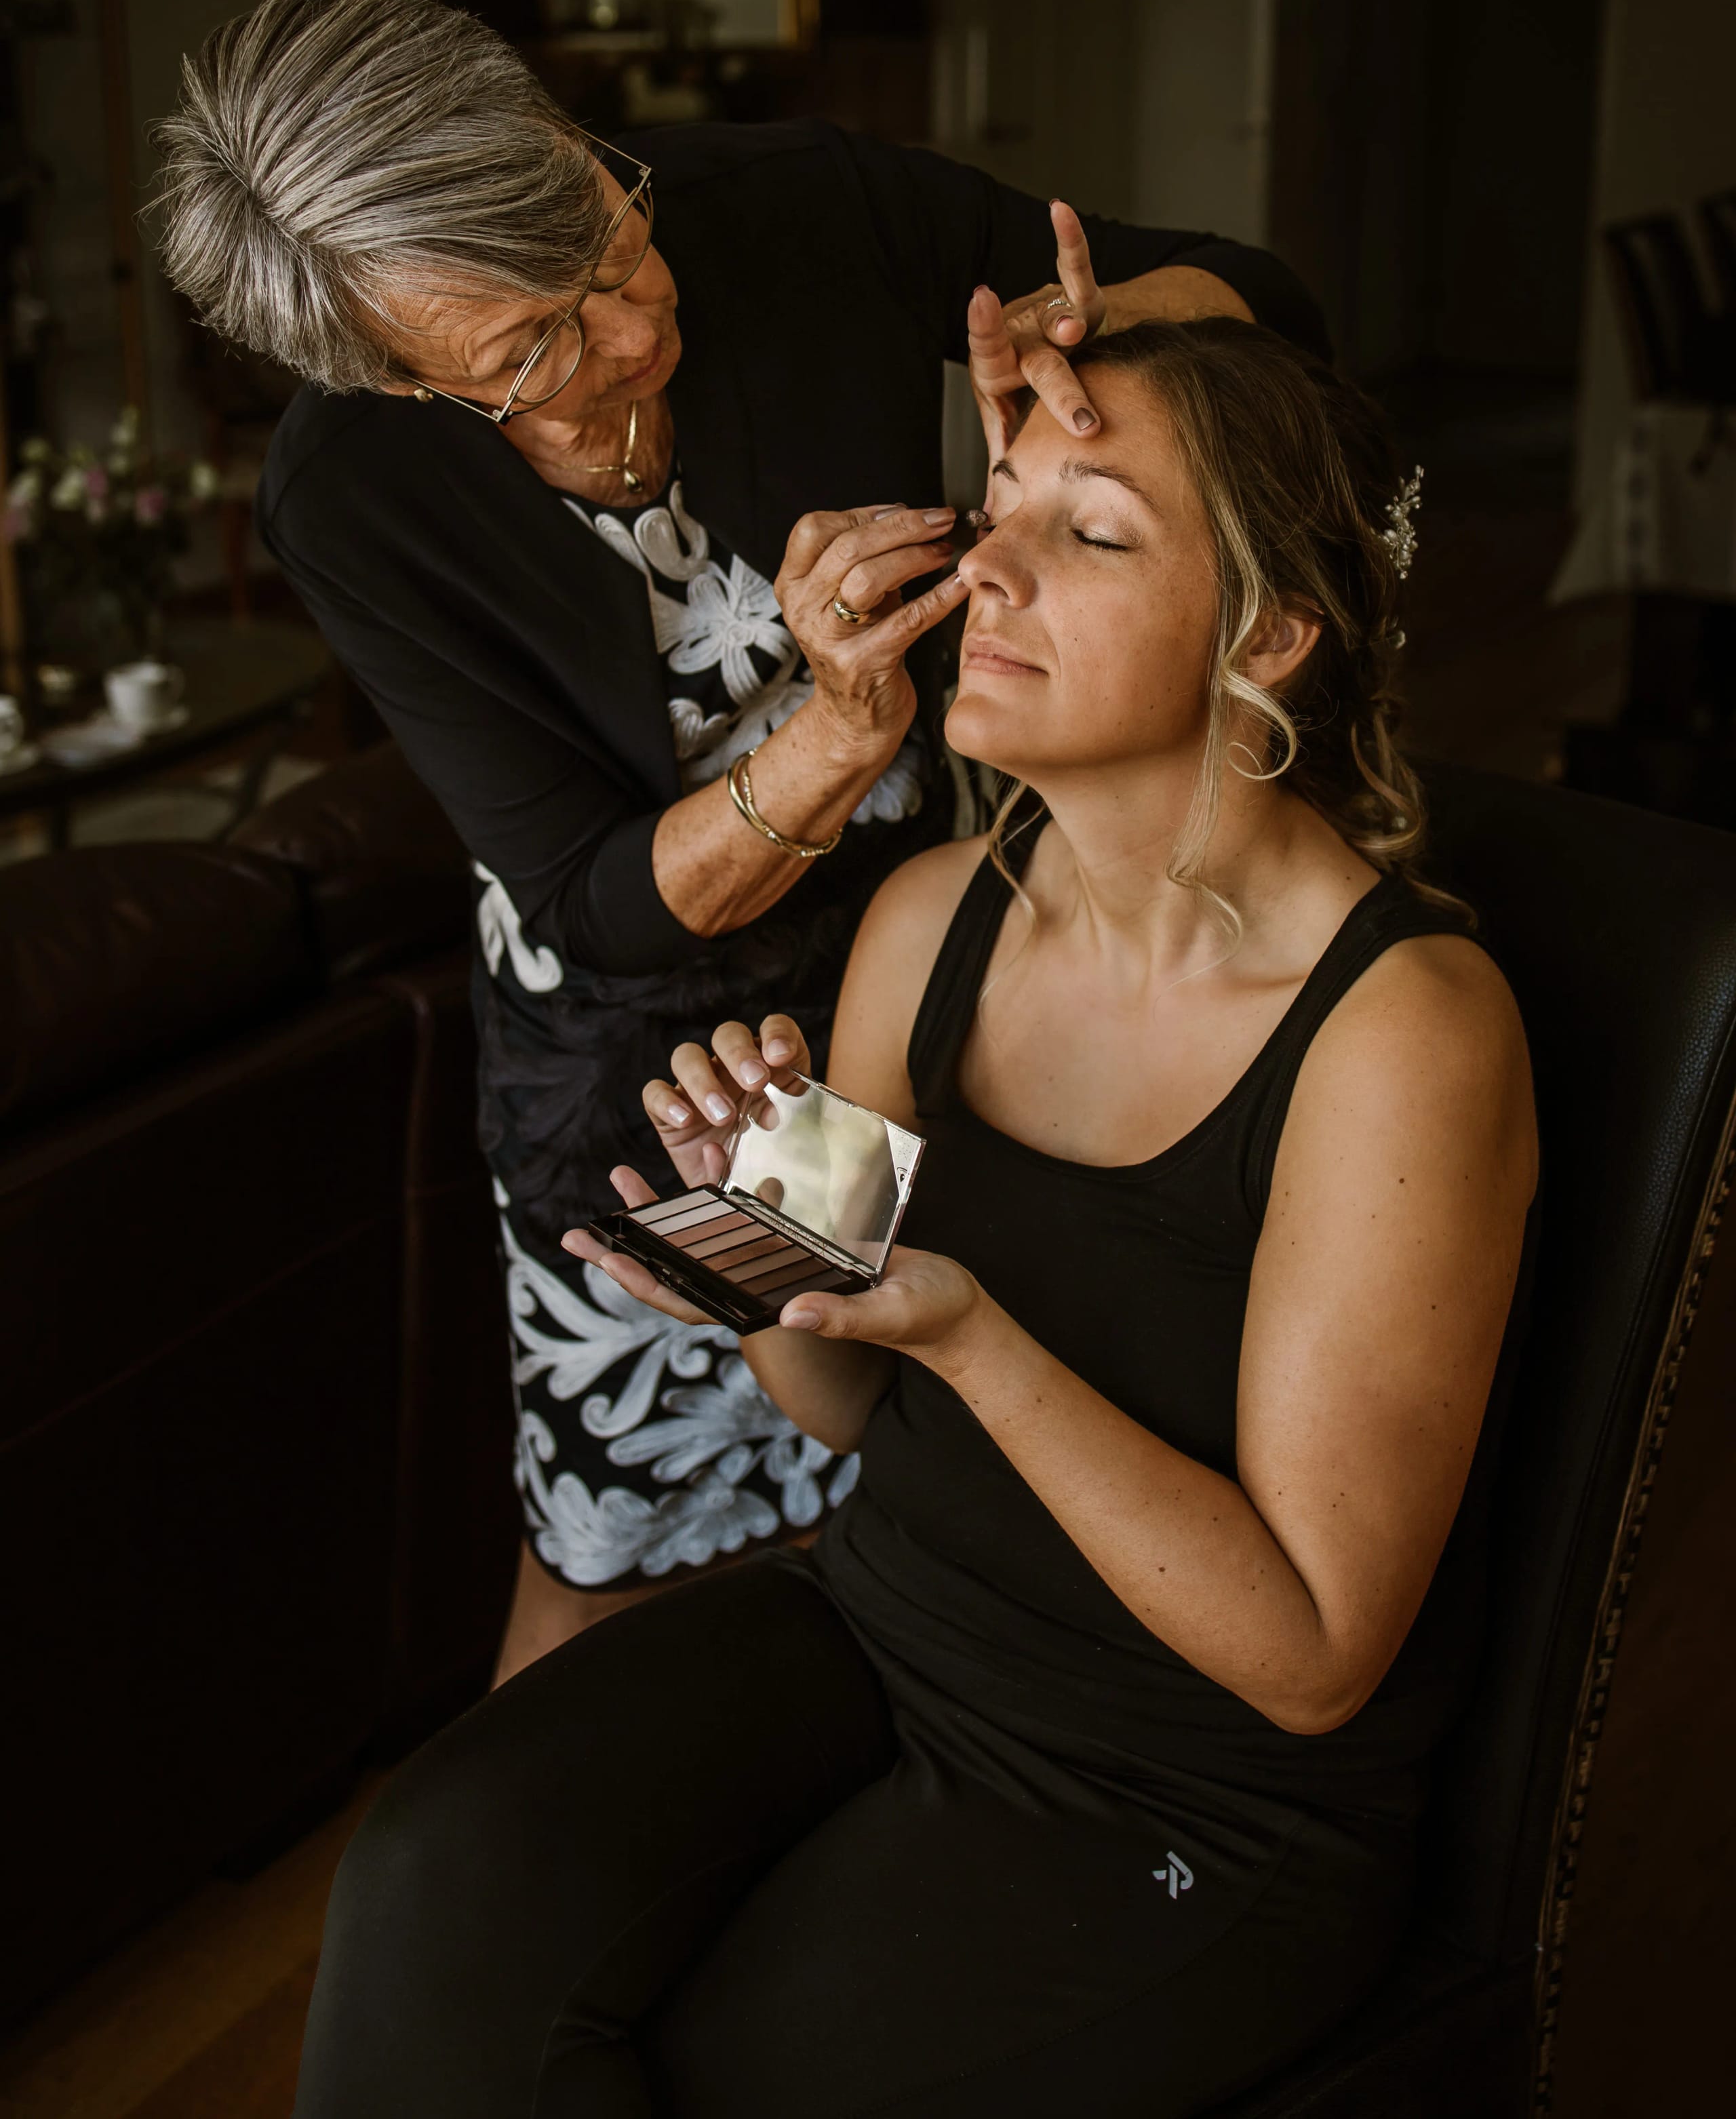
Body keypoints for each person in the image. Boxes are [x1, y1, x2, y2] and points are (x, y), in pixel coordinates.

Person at [290, 313, 1537, 2118]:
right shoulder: (933, 914)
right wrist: (761, 1245)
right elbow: (838, 1400)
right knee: (430, 1876)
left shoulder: (1401, 1032)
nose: (987, 567)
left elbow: (1313, 1659)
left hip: (1188, 1801)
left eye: (1087, 529)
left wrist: (966, 1328)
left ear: (1270, 634)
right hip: (877, 1635)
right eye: (998, 497)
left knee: (712, 2072)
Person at [152, 0, 1326, 1680]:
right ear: (396, 377)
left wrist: (1104, 330)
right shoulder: (355, 499)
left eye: (606, 237)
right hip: (656, 1063)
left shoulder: (789, 206)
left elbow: (1260, 301)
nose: (630, 332)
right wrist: (838, 730)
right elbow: (596, 905)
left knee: (933, 1479)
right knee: (621, 1535)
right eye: (531, 349)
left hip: (928, 970)